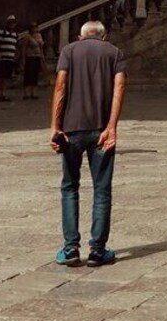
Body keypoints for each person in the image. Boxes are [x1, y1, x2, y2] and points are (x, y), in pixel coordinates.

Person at [50, 21, 126, 267]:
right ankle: (98, 251)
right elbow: (120, 86)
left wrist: (55, 126)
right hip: (102, 130)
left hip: (71, 129)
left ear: (80, 36)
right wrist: (112, 126)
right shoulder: (114, 52)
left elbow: (60, 85)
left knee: (69, 186)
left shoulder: (69, 51)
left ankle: (70, 248)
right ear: (104, 36)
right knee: (102, 189)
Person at [0, 15, 19, 102]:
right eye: (10, 22)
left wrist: (15, 56)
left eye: (13, 23)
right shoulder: (1, 32)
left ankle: (3, 94)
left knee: (6, 77)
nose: (12, 24)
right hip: (2, 58)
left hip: (10, 58)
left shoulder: (15, 34)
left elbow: (15, 46)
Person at [19, 22, 45, 100]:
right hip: (30, 57)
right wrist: (23, 59)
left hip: (37, 57)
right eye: (33, 27)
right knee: (28, 75)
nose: (34, 29)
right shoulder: (27, 37)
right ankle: (26, 93)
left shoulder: (39, 36)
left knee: (35, 75)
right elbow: (23, 48)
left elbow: (41, 48)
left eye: (36, 27)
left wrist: (42, 57)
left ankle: (34, 92)